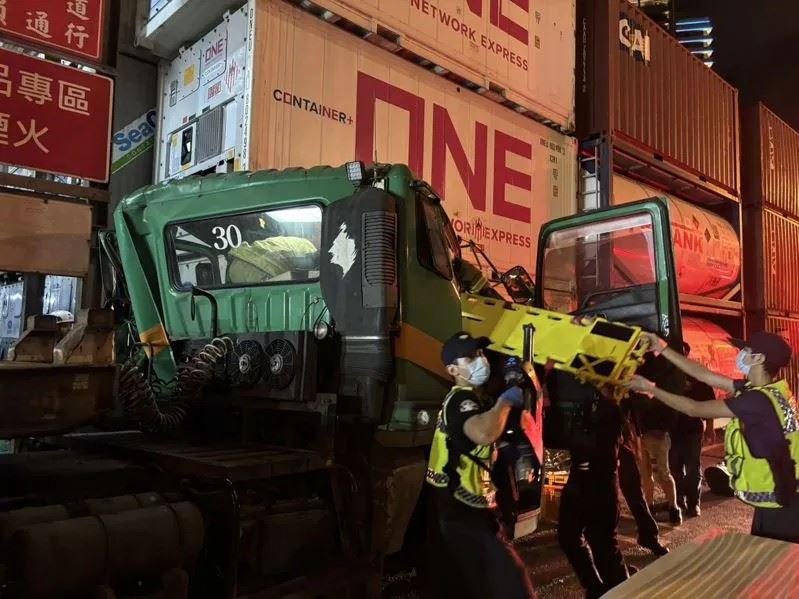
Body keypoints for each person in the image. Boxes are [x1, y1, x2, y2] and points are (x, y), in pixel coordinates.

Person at [627, 331, 799, 543]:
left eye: (746, 350)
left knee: (777, 568)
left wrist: (650, 389)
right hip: (781, 496)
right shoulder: (764, 390)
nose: (740, 353)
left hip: (781, 505)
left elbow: (694, 408)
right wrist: (660, 347)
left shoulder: (757, 401)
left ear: (759, 358)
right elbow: (703, 375)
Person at [425, 332, 535, 598]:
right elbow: (483, 433)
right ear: (453, 369)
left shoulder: (475, 400)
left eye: (481, 354)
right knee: (512, 585)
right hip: (461, 511)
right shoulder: (460, 400)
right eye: (471, 357)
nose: (481, 360)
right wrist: (506, 401)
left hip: (473, 510)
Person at [556, 379, 631, 599]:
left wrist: (580, 448)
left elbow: (603, 450)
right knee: (569, 536)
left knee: (603, 543)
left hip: (599, 483)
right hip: (580, 479)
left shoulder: (612, 410)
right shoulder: (589, 403)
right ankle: (595, 587)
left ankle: (621, 591)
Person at [669, 343, 716, 517]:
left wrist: (710, 427)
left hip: (692, 429)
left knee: (692, 469)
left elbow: (709, 404)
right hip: (672, 430)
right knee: (674, 468)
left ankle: (693, 503)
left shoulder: (698, 375)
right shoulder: (669, 377)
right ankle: (678, 500)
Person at [618, 399, 668, 555]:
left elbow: (632, 413)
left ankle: (649, 535)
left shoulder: (621, 386)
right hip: (600, 443)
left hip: (619, 443)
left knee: (634, 493)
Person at [633, 373, 682, 525]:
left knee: (660, 473)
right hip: (645, 436)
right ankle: (654, 507)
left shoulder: (656, 392)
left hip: (655, 436)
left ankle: (672, 508)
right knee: (649, 474)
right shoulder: (649, 392)